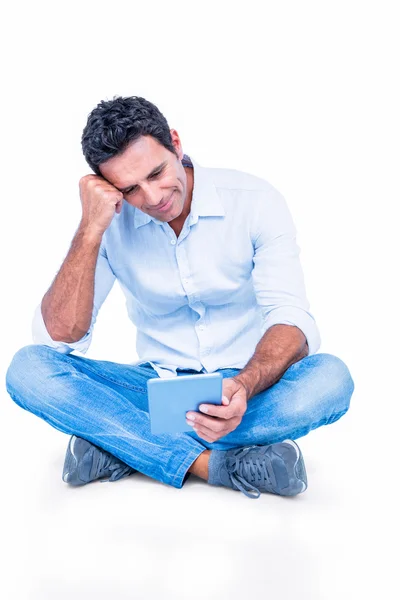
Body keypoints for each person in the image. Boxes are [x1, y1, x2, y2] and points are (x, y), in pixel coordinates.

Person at [5, 95, 355, 500]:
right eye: (130, 188)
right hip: (154, 387)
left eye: (157, 173)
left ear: (175, 142)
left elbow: (290, 317)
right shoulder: (109, 223)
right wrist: (89, 229)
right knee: (27, 369)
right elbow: (59, 339)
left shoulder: (254, 200)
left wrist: (243, 384)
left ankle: (125, 444)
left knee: (330, 380)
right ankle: (215, 464)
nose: (152, 198)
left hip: (250, 388)